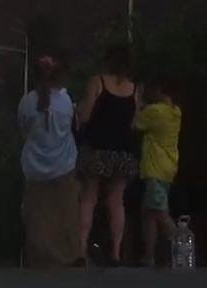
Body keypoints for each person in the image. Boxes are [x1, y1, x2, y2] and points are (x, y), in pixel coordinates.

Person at [76, 40, 139, 265]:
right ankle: (115, 252)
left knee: (89, 198)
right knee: (116, 200)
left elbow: (84, 115)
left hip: (96, 148)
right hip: (122, 152)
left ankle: (82, 250)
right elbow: (135, 123)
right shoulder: (134, 89)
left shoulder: (98, 82)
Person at [17, 55, 82, 268]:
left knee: (38, 218)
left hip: (35, 168)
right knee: (66, 214)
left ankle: (41, 259)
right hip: (63, 165)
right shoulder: (65, 102)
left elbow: (22, 129)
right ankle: (70, 256)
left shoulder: (27, 102)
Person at [135, 79, 182, 267]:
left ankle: (182, 247)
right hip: (168, 167)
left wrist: (138, 102)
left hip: (155, 168)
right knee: (148, 213)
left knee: (159, 212)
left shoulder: (155, 111)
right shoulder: (176, 112)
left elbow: (135, 124)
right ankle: (149, 256)